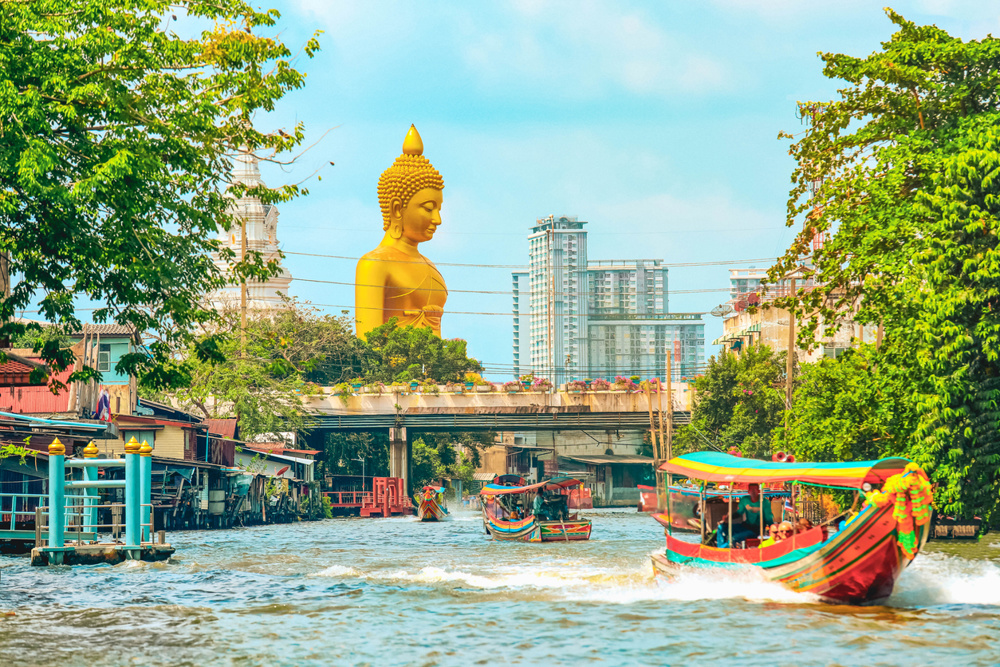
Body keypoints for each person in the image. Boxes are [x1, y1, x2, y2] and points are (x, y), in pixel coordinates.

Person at [717, 483, 773, 548]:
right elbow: (739, 513)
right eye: (751, 489)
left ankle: (726, 548)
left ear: (759, 491)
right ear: (748, 491)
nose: (753, 491)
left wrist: (772, 530)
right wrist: (728, 518)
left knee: (734, 538)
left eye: (755, 489)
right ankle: (720, 548)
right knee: (721, 527)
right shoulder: (745, 500)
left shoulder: (764, 502)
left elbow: (769, 518)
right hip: (745, 526)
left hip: (755, 530)